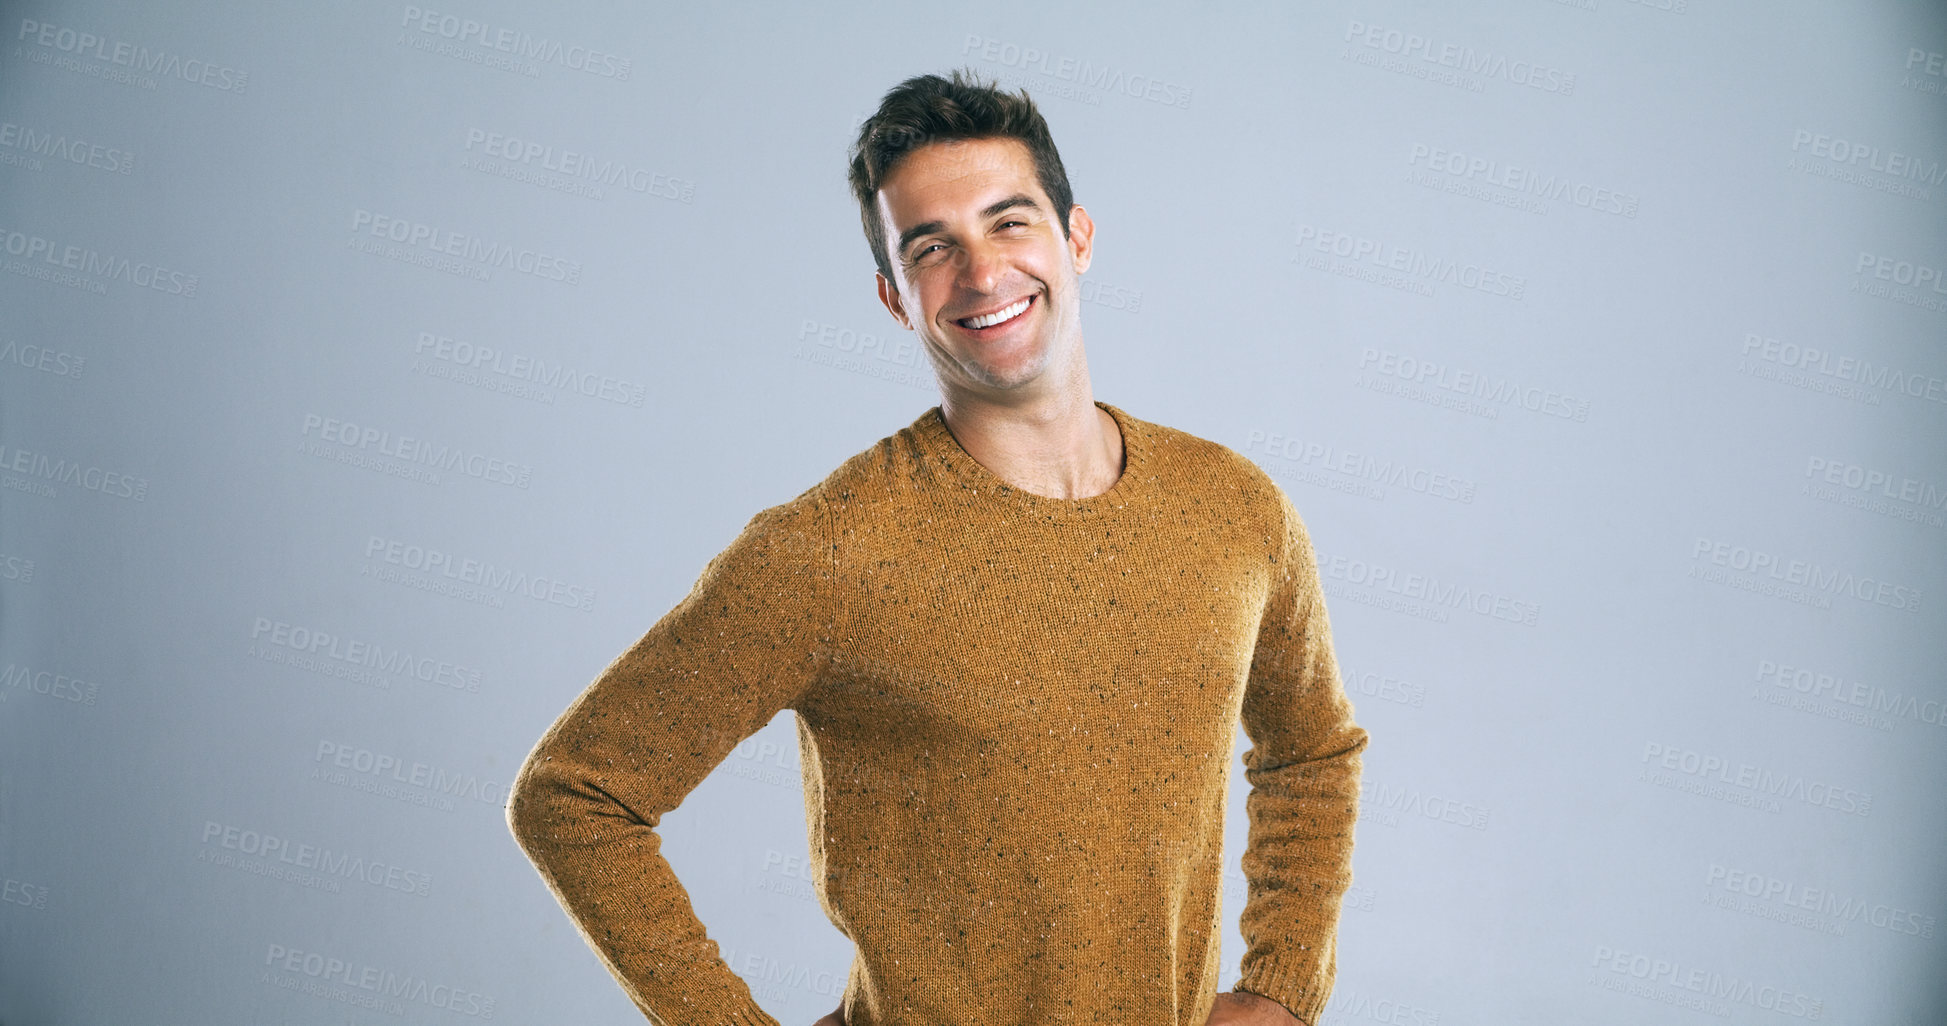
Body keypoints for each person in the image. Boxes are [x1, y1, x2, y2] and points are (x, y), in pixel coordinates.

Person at [506, 68, 1368, 1026]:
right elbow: (574, 795)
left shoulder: (1233, 507)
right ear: (894, 296)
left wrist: (1280, 990)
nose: (983, 272)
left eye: (1009, 222)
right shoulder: (828, 553)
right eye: (931, 247)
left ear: (1075, 239)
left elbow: (1310, 751)